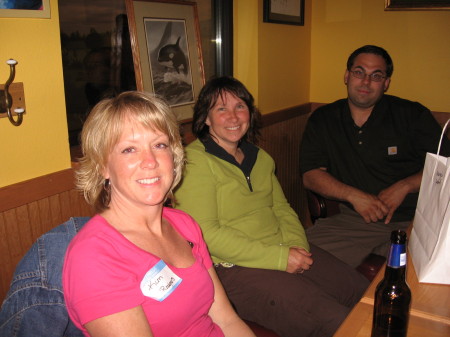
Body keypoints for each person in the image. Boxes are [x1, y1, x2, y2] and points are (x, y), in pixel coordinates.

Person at [174, 76, 369, 337]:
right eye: (221, 109)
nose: (233, 117)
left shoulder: (260, 157)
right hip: (232, 268)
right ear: (206, 118)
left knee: (363, 291)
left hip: (280, 247)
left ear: (250, 113)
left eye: (240, 107)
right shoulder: (195, 163)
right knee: (335, 319)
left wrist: (296, 245)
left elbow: (281, 208)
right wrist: (279, 258)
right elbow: (206, 233)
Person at [62, 91, 256, 337]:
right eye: (129, 149)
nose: (150, 161)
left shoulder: (184, 225)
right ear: (103, 166)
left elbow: (228, 321)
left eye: (159, 145)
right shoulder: (94, 257)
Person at [299, 45, 450, 268]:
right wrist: (354, 196)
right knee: (301, 260)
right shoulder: (323, 119)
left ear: (386, 83)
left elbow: (445, 165)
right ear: (347, 76)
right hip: (355, 222)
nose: (366, 82)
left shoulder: (412, 115)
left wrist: (405, 186)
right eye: (359, 72)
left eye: (376, 75)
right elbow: (310, 175)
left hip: (419, 221)